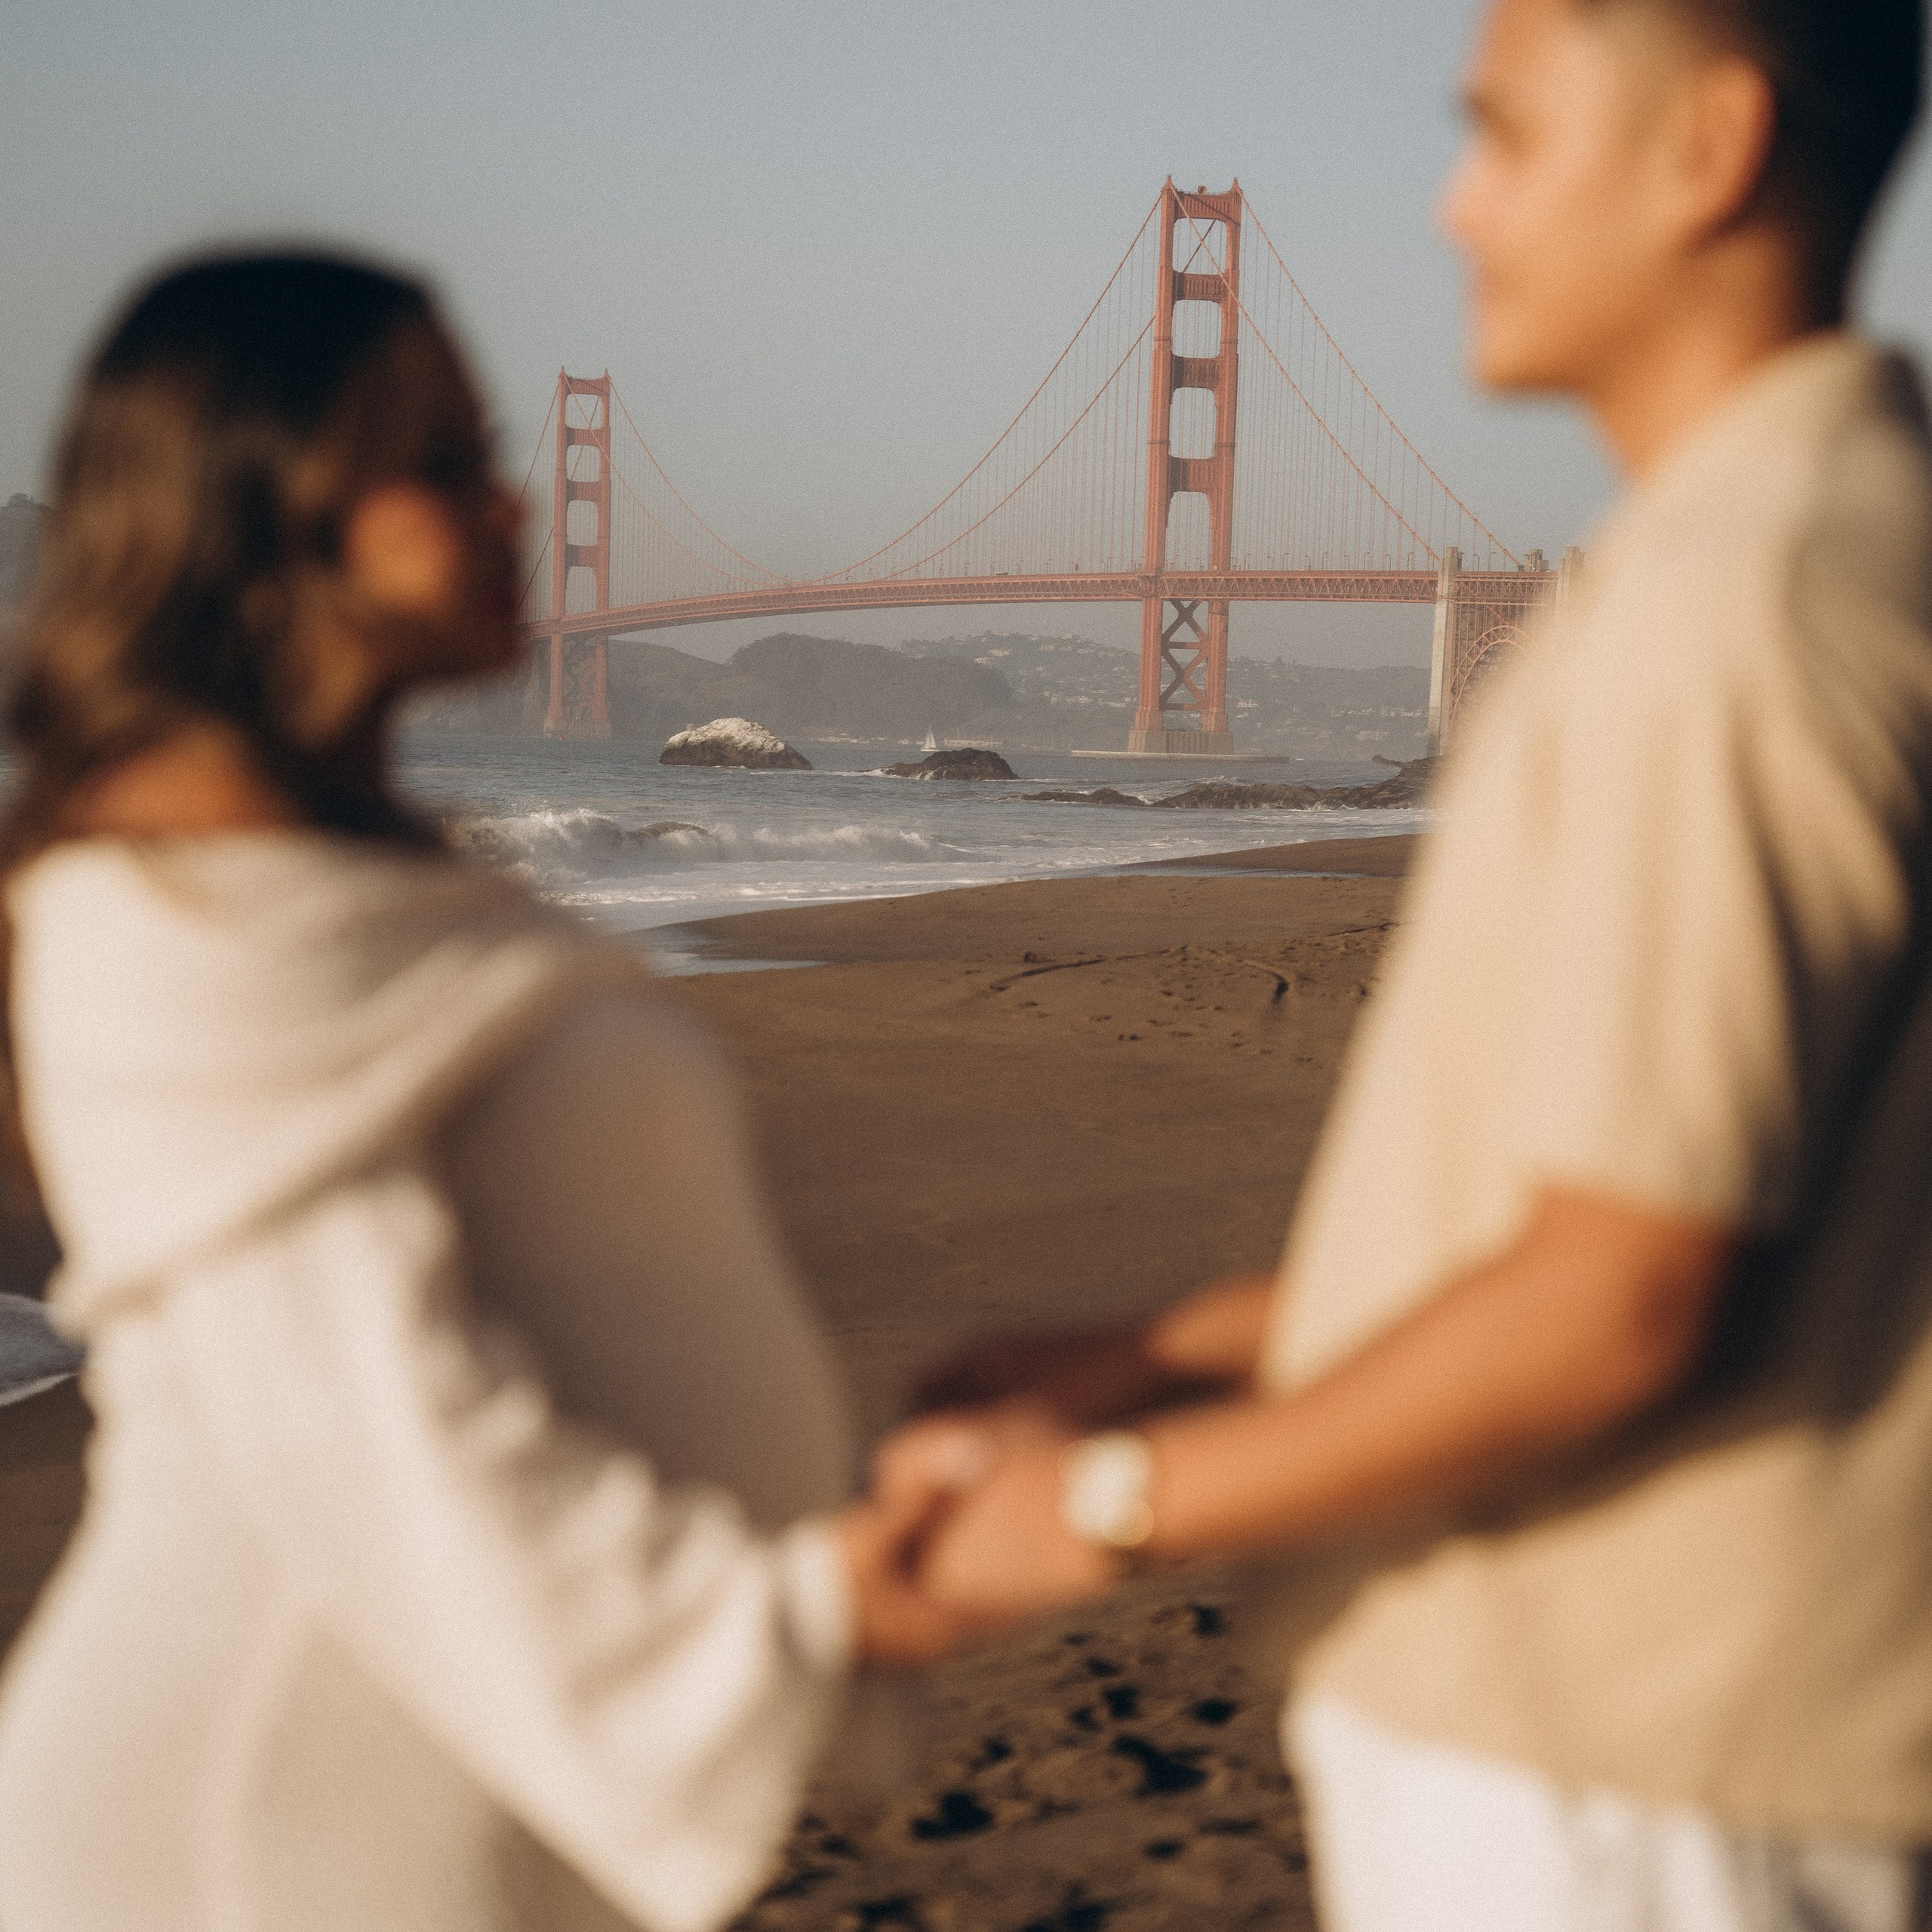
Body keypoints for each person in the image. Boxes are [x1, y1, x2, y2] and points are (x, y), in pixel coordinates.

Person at [881, 2, 1932, 1927]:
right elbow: (1590, 1216)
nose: (1448, 209)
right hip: (1641, 1746)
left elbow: (1614, 1297)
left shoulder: (1738, 612)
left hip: (1628, 1761)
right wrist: (1160, 1353)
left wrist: (1109, 1503)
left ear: (1705, 148)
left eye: (1501, 135)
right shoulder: (1799, 554)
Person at [0, 255, 959, 1932]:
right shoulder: (157, 925)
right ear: (269, 509)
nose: (518, 502)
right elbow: (395, 1422)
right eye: (442, 462)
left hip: (437, 1806)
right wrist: (833, 1606)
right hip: (245, 1838)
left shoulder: (356, 883)